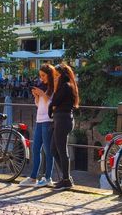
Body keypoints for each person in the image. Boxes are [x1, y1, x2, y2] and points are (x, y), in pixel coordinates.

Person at [19, 64, 55, 187]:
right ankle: (33, 177)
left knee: (48, 150)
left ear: (49, 75)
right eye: (40, 76)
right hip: (40, 120)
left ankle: (48, 177)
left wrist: (42, 94)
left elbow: (52, 104)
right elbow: (40, 105)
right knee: (35, 149)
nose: (41, 78)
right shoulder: (42, 87)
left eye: (43, 75)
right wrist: (36, 96)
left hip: (48, 121)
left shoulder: (53, 87)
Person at [48, 63, 79, 191]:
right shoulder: (65, 86)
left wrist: (52, 106)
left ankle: (66, 180)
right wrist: (52, 107)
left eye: (56, 75)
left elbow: (54, 102)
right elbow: (54, 105)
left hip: (63, 120)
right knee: (53, 150)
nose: (54, 78)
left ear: (61, 75)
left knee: (61, 150)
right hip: (61, 120)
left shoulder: (65, 86)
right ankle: (66, 178)